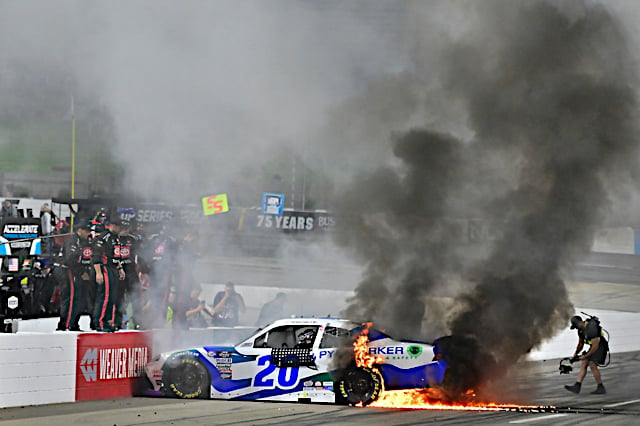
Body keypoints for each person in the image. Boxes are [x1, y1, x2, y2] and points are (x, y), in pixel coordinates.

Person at [54, 220, 93, 331]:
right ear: (79, 230)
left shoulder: (81, 240)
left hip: (70, 270)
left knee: (75, 297)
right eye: (86, 231)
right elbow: (70, 259)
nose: (88, 233)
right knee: (70, 297)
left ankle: (71, 323)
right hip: (65, 269)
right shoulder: (73, 240)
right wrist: (81, 272)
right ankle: (66, 325)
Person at [91, 218, 125, 332]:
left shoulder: (117, 238)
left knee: (112, 297)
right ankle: (99, 322)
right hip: (105, 269)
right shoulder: (103, 238)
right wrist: (98, 273)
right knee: (104, 297)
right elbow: (96, 256)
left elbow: (117, 256)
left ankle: (107, 321)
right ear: (112, 225)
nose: (120, 229)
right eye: (118, 226)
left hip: (114, 269)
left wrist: (120, 268)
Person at [564, 315, 609, 395]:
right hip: (594, 347)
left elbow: (595, 346)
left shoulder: (591, 328)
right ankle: (577, 386)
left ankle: (601, 387)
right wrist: (575, 354)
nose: (576, 328)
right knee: (584, 363)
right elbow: (581, 343)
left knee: (592, 364)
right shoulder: (580, 331)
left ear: (580, 322)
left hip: (601, 346)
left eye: (576, 326)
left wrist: (585, 355)